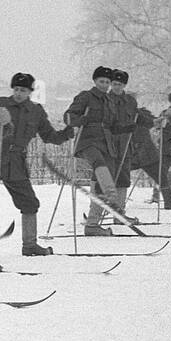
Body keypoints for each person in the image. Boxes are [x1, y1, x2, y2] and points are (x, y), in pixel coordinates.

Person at [0, 73, 74, 256]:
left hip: (16, 163)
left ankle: (30, 245)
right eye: (17, 89)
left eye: (24, 90)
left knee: (29, 203)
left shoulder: (36, 111)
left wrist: (68, 133)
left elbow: (49, 135)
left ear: (30, 91)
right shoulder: (0, 103)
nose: (19, 93)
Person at [65, 66, 135, 235]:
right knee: (99, 164)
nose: (104, 85)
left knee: (102, 179)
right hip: (88, 141)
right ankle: (111, 195)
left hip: (106, 143)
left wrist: (128, 127)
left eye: (107, 82)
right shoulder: (86, 97)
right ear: (95, 81)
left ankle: (92, 224)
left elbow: (112, 125)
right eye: (101, 81)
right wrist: (82, 119)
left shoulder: (109, 101)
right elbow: (68, 117)